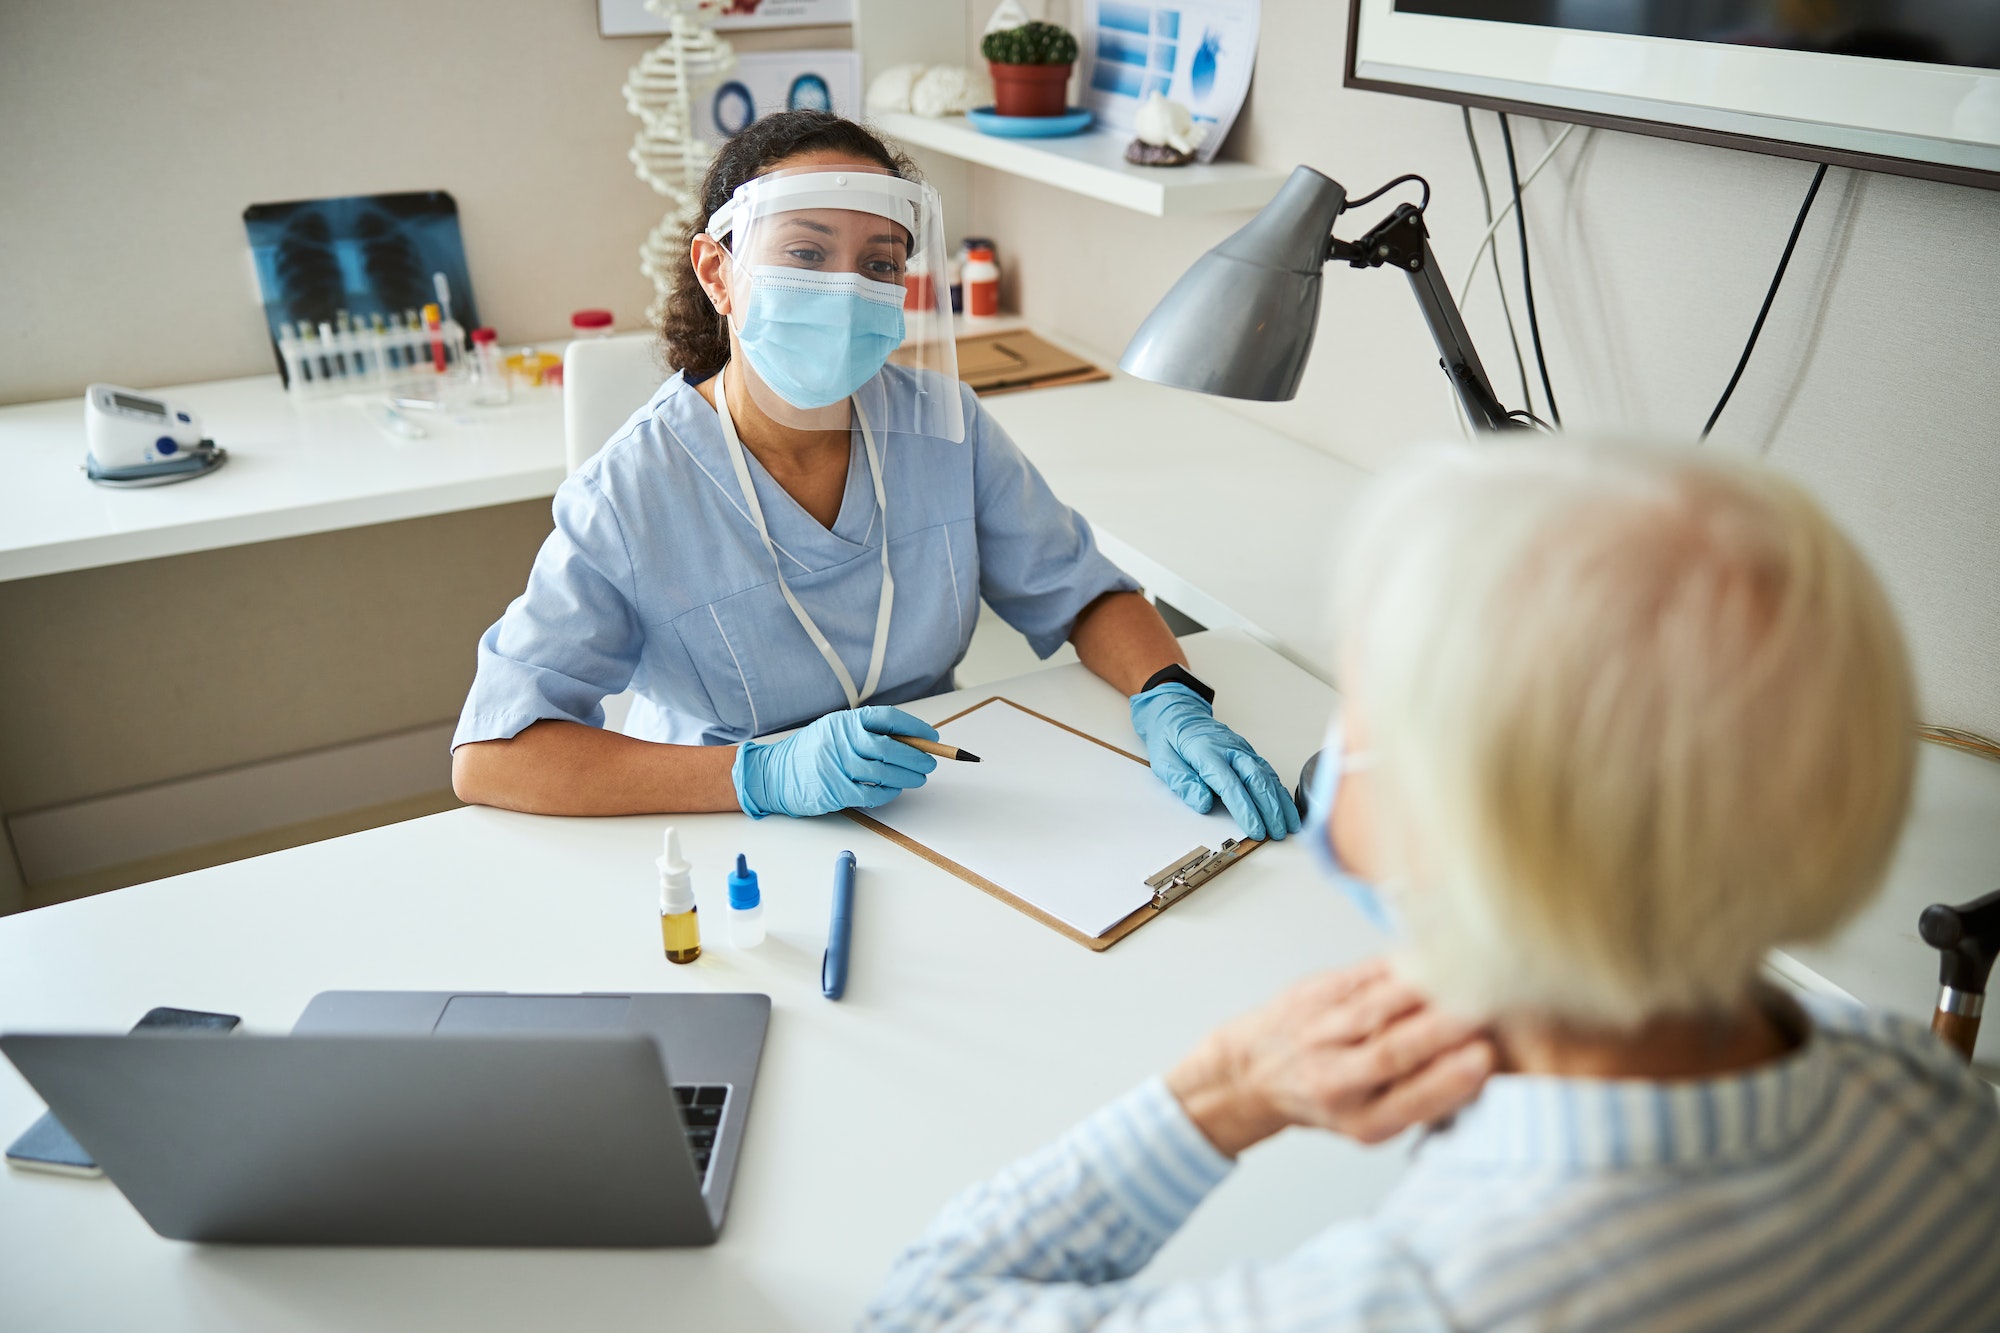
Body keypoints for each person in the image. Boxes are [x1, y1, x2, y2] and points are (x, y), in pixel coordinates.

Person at [862, 440, 2000, 1330]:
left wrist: (1218, 1091)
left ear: (1459, 827)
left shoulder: (1425, 1299)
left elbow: (917, 1313)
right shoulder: (1934, 1109)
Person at [450, 111, 1297, 841]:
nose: (847, 290)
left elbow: (1085, 593)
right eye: (808, 253)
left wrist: (1168, 695)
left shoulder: (945, 426)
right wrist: (757, 777)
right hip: (725, 837)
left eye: (881, 264)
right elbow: (494, 755)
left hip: (940, 804)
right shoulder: (631, 496)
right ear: (719, 273)